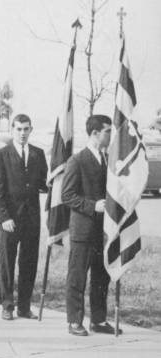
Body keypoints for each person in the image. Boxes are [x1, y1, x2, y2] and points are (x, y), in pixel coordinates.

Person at [62, 115, 120, 336]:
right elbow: (67, 195)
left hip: (102, 231)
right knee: (77, 277)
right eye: (107, 131)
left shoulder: (107, 159)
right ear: (95, 133)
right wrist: (91, 205)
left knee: (100, 277)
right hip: (83, 231)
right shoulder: (77, 160)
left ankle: (98, 320)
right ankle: (74, 321)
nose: (110, 135)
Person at [0, 114, 49, 321]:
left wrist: (54, 181)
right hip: (10, 220)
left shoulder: (38, 154)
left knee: (29, 262)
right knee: (7, 263)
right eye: (19, 129)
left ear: (31, 130)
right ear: (12, 130)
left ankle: (24, 306)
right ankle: (7, 305)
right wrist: (4, 217)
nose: (22, 133)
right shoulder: (1, 155)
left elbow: (42, 183)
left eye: (26, 129)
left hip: (31, 219)